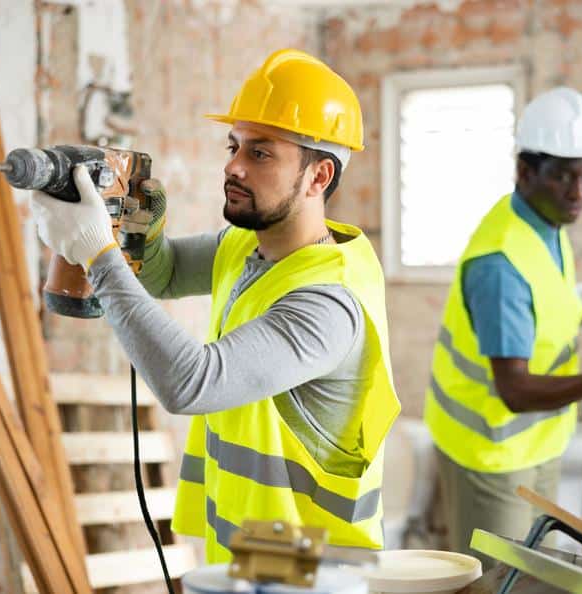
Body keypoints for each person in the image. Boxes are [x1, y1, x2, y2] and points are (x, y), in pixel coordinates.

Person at [29, 49, 401, 561]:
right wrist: (140, 228)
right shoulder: (247, 245)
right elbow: (164, 275)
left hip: (312, 566)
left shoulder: (327, 304)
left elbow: (192, 383)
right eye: (234, 146)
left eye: (261, 153)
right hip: (255, 544)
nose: (233, 166)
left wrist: (97, 252)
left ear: (319, 177)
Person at [423, 87, 582, 566]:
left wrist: (580, 309)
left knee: (531, 576)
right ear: (525, 170)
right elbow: (515, 390)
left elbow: (542, 306)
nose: (579, 192)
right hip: (490, 454)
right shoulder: (501, 264)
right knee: (497, 579)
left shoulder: (547, 226)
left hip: (537, 442)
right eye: (563, 176)